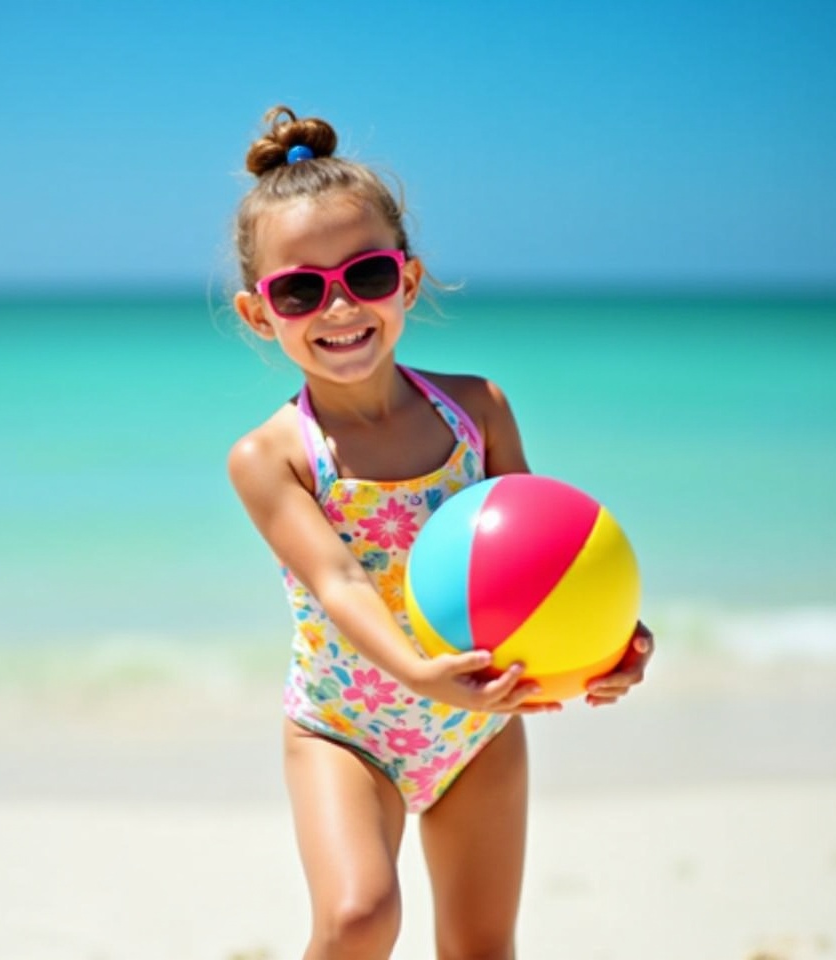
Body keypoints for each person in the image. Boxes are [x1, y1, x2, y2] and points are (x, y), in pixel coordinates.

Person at [225, 105, 654, 960]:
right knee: (357, 920)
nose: (339, 306)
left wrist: (611, 641)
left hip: (480, 728)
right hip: (346, 728)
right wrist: (421, 673)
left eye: (368, 276)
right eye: (301, 290)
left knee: (481, 947)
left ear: (409, 282)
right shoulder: (271, 457)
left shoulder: (479, 410)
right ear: (259, 314)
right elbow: (340, 581)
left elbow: (548, 556)